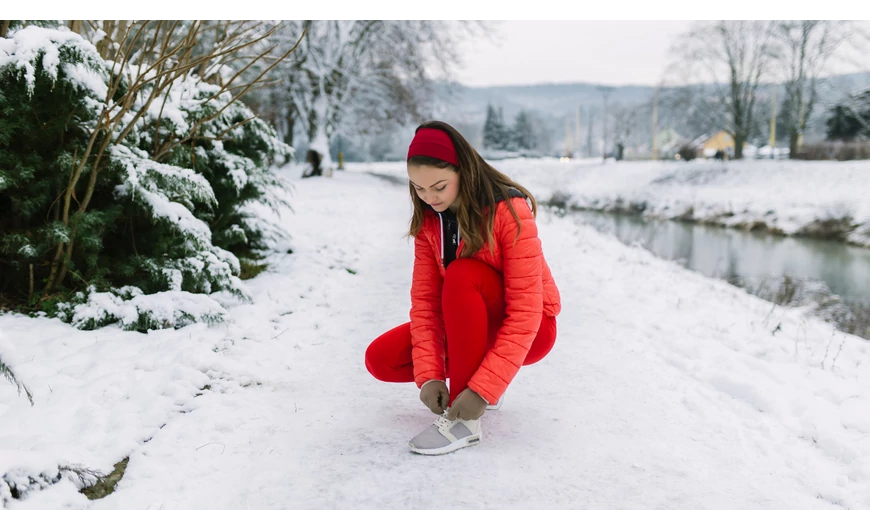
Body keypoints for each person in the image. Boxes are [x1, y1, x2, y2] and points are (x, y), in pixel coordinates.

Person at [364, 120, 562, 456]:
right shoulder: (429, 222)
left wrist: (480, 391)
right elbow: (426, 304)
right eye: (420, 189)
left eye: (439, 186)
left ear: (462, 171)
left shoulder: (508, 211)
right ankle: (470, 380)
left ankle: (464, 423)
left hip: (533, 329)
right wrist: (430, 377)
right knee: (381, 359)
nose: (430, 198)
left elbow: (527, 311)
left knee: (462, 273)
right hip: (468, 323)